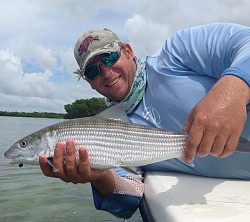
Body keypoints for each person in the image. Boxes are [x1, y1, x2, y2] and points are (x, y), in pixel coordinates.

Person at [39, 23, 250, 219]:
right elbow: (129, 199)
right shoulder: (108, 130)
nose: (105, 72)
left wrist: (234, 90)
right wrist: (100, 176)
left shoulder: (177, 51)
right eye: (93, 71)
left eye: (110, 58)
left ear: (129, 51)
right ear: (90, 84)